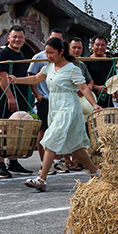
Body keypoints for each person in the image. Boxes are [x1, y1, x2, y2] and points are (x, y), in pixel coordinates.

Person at [11, 38, 102, 191]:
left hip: (68, 107)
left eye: (51, 53)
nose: (48, 56)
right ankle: (95, 173)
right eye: (46, 52)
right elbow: (35, 78)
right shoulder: (48, 67)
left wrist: (94, 104)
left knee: (51, 139)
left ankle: (41, 179)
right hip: (55, 107)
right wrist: (16, 80)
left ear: (61, 52)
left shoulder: (73, 69)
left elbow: (84, 88)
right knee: (76, 146)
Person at [0, 26, 40, 178]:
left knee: (16, 130)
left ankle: (13, 162)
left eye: (20, 37)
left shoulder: (21, 53)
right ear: (8, 38)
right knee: (3, 130)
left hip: (21, 97)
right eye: (14, 37)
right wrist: (10, 97)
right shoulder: (3, 53)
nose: (17, 39)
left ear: (24, 39)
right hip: (7, 98)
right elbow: (1, 76)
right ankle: (0, 164)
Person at [30, 29, 67, 174]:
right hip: (45, 99)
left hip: (60, 100)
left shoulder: (64, 60)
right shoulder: (39, 57)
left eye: (59, 40)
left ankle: (57, 161)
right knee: (44, 131)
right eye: (53, 39)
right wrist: (37, 94)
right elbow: (32, 76)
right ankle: (43, 162)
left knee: (58, 131)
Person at [87, 35, 117, 109]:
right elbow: (83, 82)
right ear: (92, 46)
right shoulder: (87, 61)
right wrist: (96, 87)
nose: (100, 47)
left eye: (102, 45)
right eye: (97, 45)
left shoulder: (110, 60)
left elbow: (114, 78)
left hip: (107, 97)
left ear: (106, 47)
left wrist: (116, 93)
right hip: (92, 97)